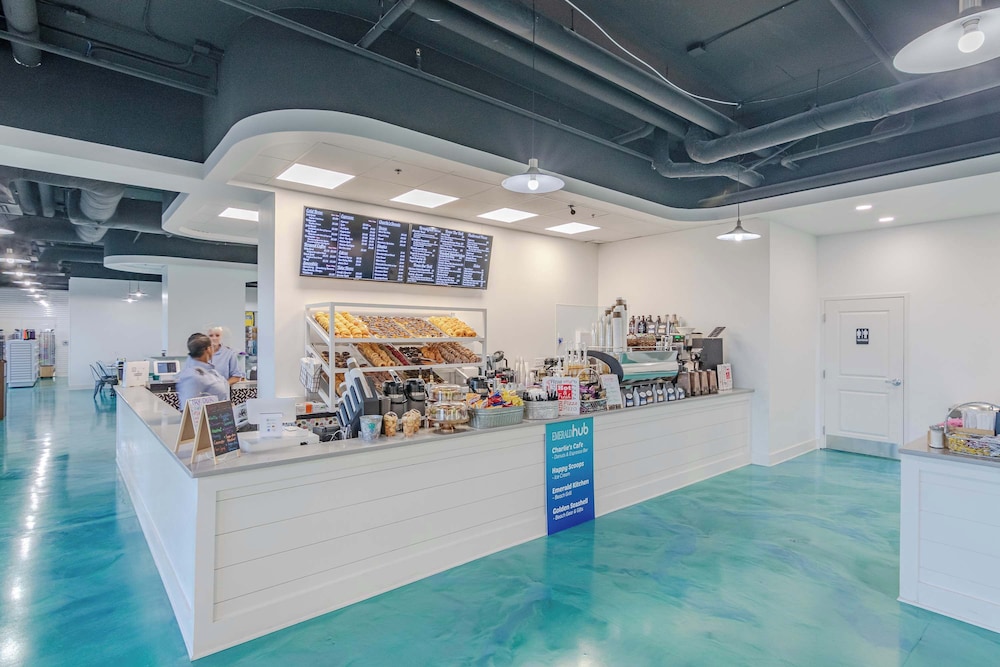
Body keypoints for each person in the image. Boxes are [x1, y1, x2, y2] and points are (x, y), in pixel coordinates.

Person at [175, 333, 230, 410]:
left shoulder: (209, 370)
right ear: (208, 349)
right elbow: (189, 409)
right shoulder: (192, 376)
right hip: (209, 417)